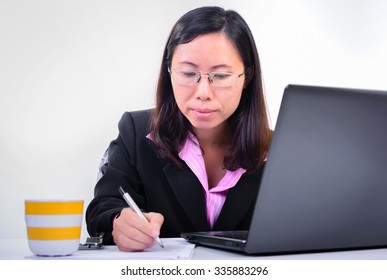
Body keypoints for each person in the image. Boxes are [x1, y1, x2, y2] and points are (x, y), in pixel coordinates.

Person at [86, 6, 272, 252]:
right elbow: (102, 209)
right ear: (170, 72)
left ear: (246, 76)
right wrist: (119, 222)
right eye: (188, 73)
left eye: (220, 76)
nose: (203, 93)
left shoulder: (278, 148)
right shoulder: (136, 132)